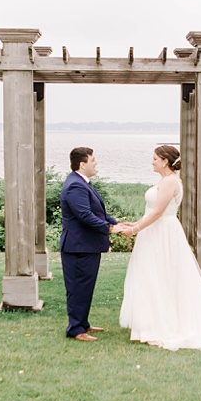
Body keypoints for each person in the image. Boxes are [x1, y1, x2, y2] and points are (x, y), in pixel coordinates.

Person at [119, 145, 201, 351]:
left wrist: (135, 229)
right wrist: (134, 223)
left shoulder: (170, 182)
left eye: (155, 158)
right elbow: (151, 212)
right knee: (152, 274)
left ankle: (164, 324)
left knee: (163, 274)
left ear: (165, 161)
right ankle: (153, 318)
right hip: (156, 230)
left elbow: (158, 213)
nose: (152, 161)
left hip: (162, 233)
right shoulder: (166, 181)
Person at [59, 146, 125, 342]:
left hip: (86, 245)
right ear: (82, 164)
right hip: (78, 246)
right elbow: (85, 216)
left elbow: (98, 213)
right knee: (78, 287)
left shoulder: (82, 183)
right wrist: (110, 229)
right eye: (93, 159)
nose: (96, 163)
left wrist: (116, 223)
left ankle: (83, 323)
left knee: (85, 286)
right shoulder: (75, 186)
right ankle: (75, 329)